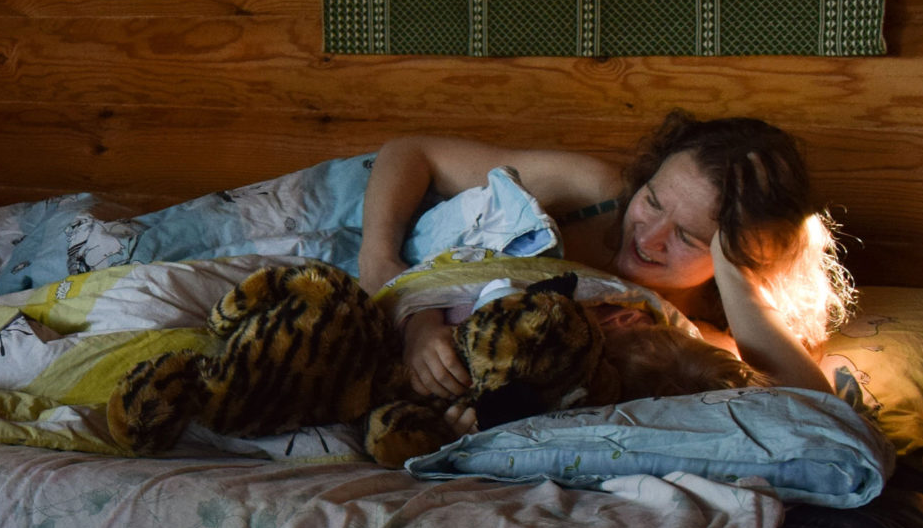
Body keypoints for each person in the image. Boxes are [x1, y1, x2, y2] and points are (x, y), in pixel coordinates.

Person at [356, 113, 851, 397]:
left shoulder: (706, 336)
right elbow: (409, 152)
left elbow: (813, 412)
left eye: (689, 237)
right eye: (653, 200)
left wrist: (739, 279)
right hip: (374, 216)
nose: (648, 237)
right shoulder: (594, 193)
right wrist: (381, 264)